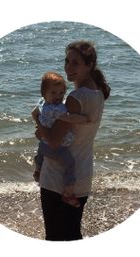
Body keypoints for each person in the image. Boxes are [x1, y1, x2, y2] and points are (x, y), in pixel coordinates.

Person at [32, 41, 110, 241]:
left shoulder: (75, 98)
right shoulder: (99, 93)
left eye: (75, 63)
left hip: (58, 180)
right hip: (81, 175)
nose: (68, 67)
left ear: (89, 65)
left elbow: (54, 142)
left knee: (56, 238)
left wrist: (37, 122)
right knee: (73, 234)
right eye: (67, 61)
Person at [32, 71, 90, 207]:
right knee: (70, 163)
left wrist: (38, 121)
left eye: (61, 93)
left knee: (40, 153)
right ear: (44, 93)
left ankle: (38, 168)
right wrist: (85, 119)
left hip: (43, 144)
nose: (58, 97)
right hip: (57, 148)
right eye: (53, 93)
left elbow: (34, 112)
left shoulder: (42, 103)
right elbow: (69, 118)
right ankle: (68, 192)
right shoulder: (56, 110)